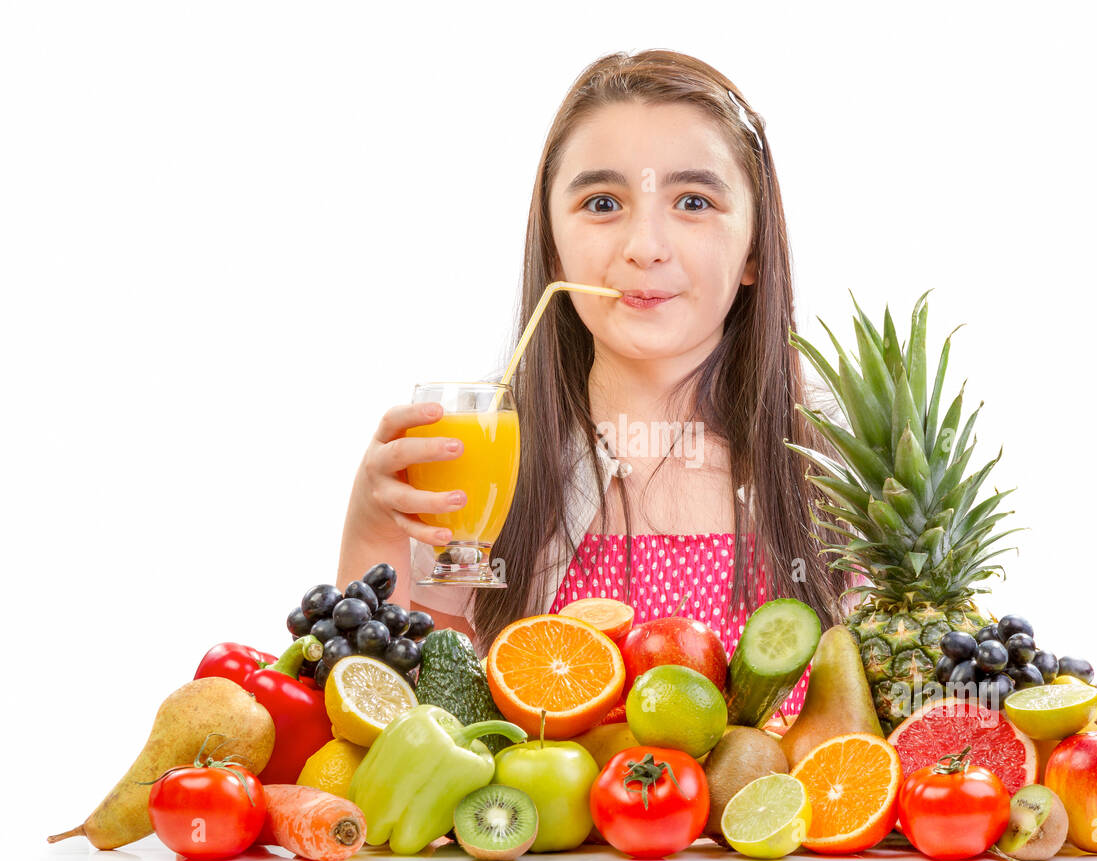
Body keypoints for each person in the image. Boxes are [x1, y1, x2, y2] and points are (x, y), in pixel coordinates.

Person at [336, 49, 851, 715]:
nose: (645, 245)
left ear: (753, 248)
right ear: (553, 245)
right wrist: (373, 532)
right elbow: (392, 728)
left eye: (693, 201)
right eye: (603, 203)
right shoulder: (482, 463)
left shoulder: (835, 471)